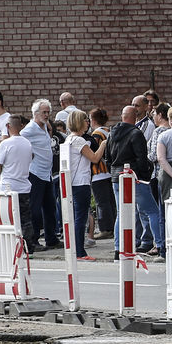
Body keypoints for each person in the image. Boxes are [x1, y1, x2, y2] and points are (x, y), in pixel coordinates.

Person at [104, 104, 164, 260]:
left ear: (122, 116)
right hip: (134, 177)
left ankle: (118, 249)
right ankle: (160, 245)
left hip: (116, 177)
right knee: (152, 210)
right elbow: (141, 158)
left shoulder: (111, 133)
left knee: (121, 213)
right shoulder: (136, 134)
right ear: (135, 117)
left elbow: (107, 158)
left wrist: (114, 172)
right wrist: (144, 175)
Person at [64, 111, 106, 262]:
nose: (88, 122)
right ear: (79, 122)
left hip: (72, 182)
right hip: (81, 182)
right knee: (80, 218)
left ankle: (76, 250)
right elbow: (94, 158)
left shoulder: (69, 139)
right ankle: (80, 252)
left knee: (77, 217)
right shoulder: (79, 140)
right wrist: (103, 144)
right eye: (85, 120)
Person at [22, 99, 61, 250]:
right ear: (35, 113)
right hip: (35, 172)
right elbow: (19, 137)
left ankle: (51, 238)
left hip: (46, 173)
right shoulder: (30, 128)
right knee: (35, 208)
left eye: (48, 112)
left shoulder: (45, 126)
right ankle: (33, 240)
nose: (46, 115)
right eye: (44, 112)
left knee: (50, 207)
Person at [0, 114, 36, 252]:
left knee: (6, 218)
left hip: (7, 187)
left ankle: (8, 248)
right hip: (24, 186)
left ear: (8, 126)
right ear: (21, 126)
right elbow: (31, 158)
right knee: (25, 219)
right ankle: (28, 248)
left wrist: (2, 173)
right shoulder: (27, 143)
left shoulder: (5, 143)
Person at [88, 108, 115, 240]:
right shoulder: (109, 131)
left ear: (93, 120)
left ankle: (105, 229)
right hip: (109, 172)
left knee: (101, 202)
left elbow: (94, 154)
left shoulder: (97, 134)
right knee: (110, 202)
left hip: (99, 172)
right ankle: (113, 227)